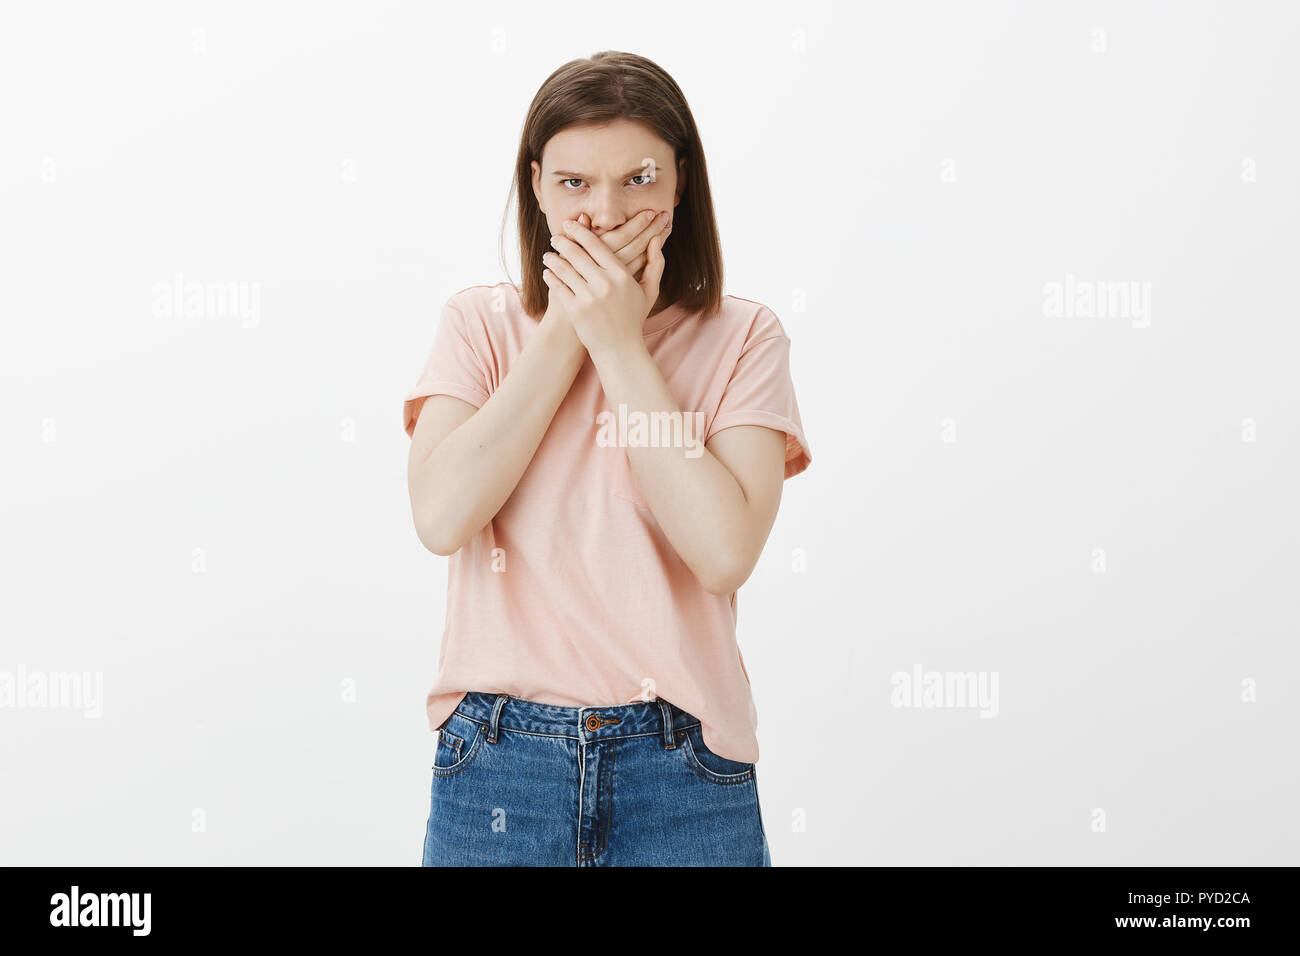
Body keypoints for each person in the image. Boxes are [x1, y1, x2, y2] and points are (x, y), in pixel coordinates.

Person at [404, 51, 811, 866]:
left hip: (684, 769)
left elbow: (724, 552)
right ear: (536, 187)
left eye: (639, 179)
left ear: (680, 184)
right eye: (575, 185)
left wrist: (622, 347)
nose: (605, 211)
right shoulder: (479, 326)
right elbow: (442, 516)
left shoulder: (743, 338)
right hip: (500, 765)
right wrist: (565, 330)